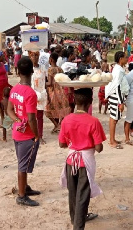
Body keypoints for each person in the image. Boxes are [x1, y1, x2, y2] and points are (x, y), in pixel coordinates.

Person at [59, 88, 106, 230]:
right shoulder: (93, 121)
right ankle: (78, 226)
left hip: (70, 161)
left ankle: (75, 219)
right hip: (85, 163)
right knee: (82, 197)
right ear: (90, 102)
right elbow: (98, 148)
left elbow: (62, 144)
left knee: (73, 193)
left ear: (74, 100)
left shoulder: (67, 119)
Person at [7, 57, 40, 207]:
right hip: (27, 134)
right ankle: (21, 196)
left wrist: (17, 120)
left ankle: (24, 188)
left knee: (23, 162)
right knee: (22, 165)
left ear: (18, 72)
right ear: (32, 71)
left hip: (17, 132)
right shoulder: (30, 93)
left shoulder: (14, 89)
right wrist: (37, 135)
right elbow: (32, 118)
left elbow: (9, 110)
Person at [105, 51, 129, 149]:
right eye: (125, 57)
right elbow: (117, 87)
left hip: (116, 96)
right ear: (120, 59)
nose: (127, 59)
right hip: (116, 96)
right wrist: (121, 102)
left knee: (113, 118)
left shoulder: (118, 69)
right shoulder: (118, 70)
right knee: (114, 119)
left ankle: (112, 139)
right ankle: (111, 141)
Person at [45, 52, 70, 133]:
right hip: (61, 91)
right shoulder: (60, 69)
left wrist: (42, 84)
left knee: (48, 110)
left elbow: (50, 83)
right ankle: (58, 125)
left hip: (53, 92)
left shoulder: (50, 70)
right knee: (60, 109)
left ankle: (57, 125)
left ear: (51, 59)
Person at [29, 51, 47, 144]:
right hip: (31, 95)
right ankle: (32, 135)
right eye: (33, 56)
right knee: (31, 116)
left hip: (41, 95)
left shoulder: (42, 68)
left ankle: (40, 136)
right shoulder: (28, 69)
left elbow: (45, 81)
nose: (35, 58)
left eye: (36, 56)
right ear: (30, 57)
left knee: (40, 117)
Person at [124, 63, 133, 145]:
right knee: (129, 119)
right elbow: (124, 84)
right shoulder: (131, 74)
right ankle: (127, 139)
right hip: (131, 99)